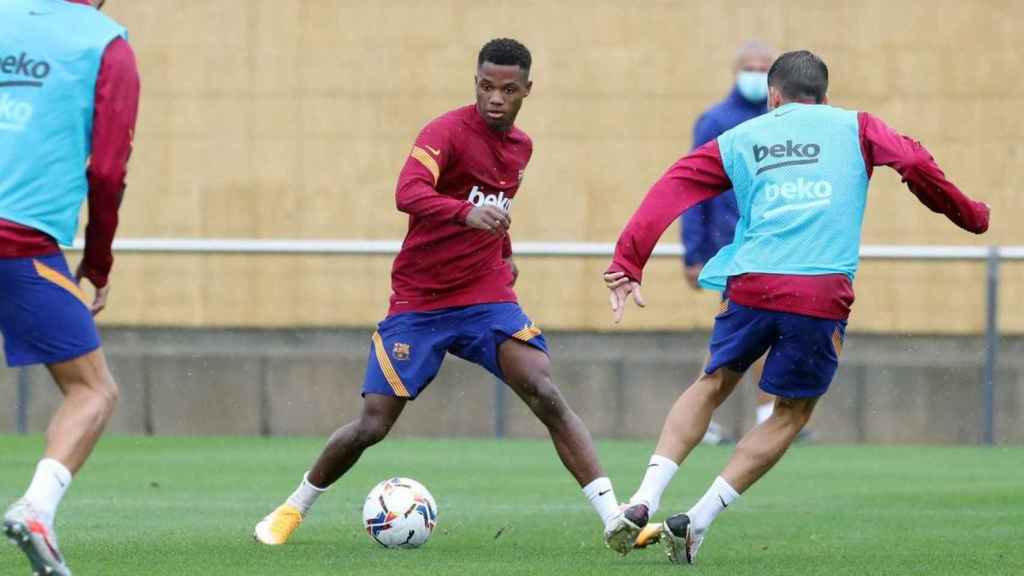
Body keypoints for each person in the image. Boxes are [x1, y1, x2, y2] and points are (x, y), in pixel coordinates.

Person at [253, 38, 639, 554]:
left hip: (485, 296)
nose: (494, 98)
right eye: (485, 86)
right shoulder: (446, 132)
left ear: (527, 90)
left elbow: (494, 204)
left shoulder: (522, 146)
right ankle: (293, 507)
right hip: (419, 301)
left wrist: (504, 248)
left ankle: (614, 518)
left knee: (544, 390)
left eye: (507, 89)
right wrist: (464, 213)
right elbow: (407, 192)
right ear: (474, 83)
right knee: (373, 424)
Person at [603, 50, 989, 563]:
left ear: (774, 98)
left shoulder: (741, 136)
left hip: (751, 282)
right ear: (825, 97)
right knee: (790, 413)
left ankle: (644, 497)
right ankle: (696, 520)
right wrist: (971, 216)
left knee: (713, 381)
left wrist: (629, 260)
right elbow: (915, 162)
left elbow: (673, 186)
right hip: (818, 290)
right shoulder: (857, 125)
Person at [0, 0, 140, 574]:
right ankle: (36, 509)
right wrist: (99, 262)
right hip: (20, 243)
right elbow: (107, 171)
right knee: (92, 390)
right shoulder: (108, 46)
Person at [681, 41, 785, 444]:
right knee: (734, 331)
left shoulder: (781, 121)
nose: (756, 74)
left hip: (776, 245)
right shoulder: (715, 121)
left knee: (765, 331)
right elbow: (695, 190)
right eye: (750, 67)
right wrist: (694, 253)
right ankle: (704, 416)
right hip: (734, 248)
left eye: (764, 68)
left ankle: (765, 411)